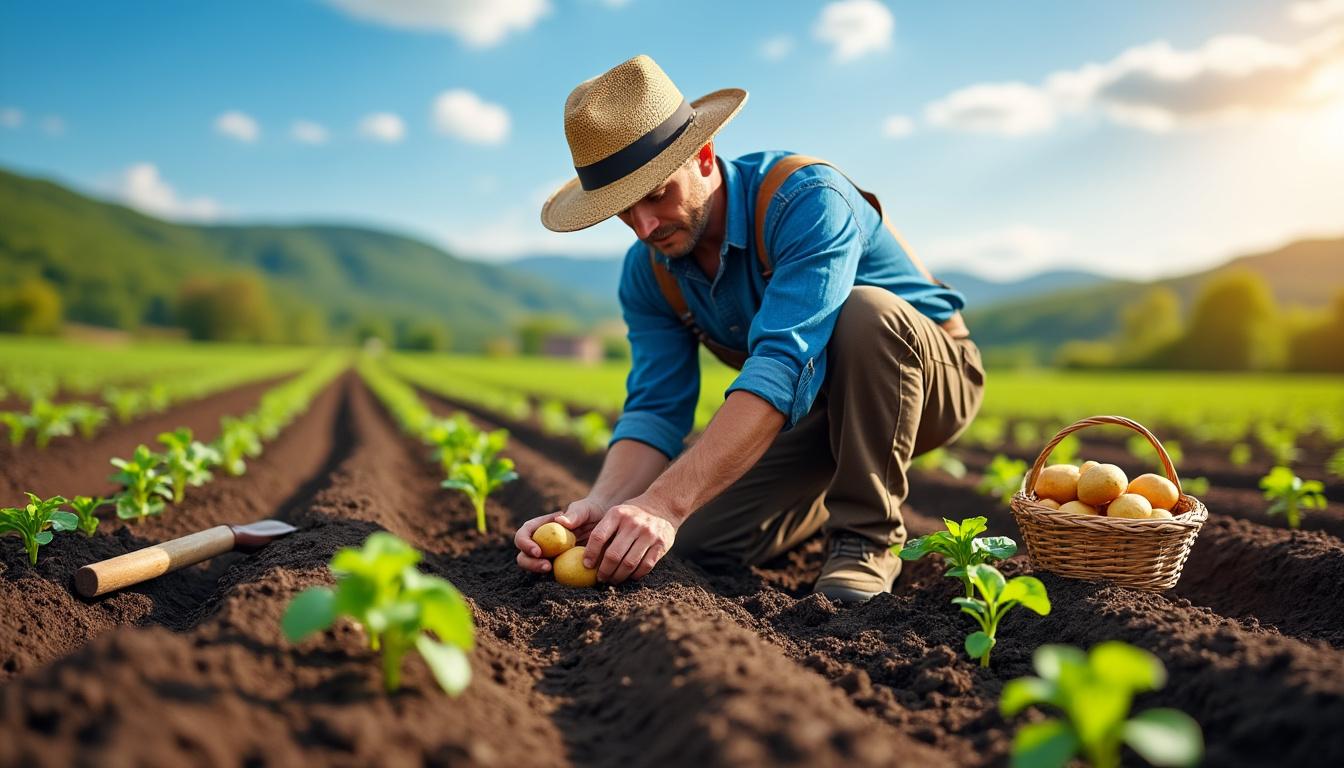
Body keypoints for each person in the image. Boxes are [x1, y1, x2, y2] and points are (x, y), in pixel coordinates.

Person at [513, 54, 984, 602]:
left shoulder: (806, 199)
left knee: (864, 313)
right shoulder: (649, 273)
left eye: (656, 193)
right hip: (818, 408)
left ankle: (866, 538)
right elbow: (654, 407)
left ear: (705, 157)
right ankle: (812, 499)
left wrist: (665, 502)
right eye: (623, 210)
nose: (644, 226)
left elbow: (783, 363)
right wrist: (603, 505)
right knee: (683, 545)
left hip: (928, 379)